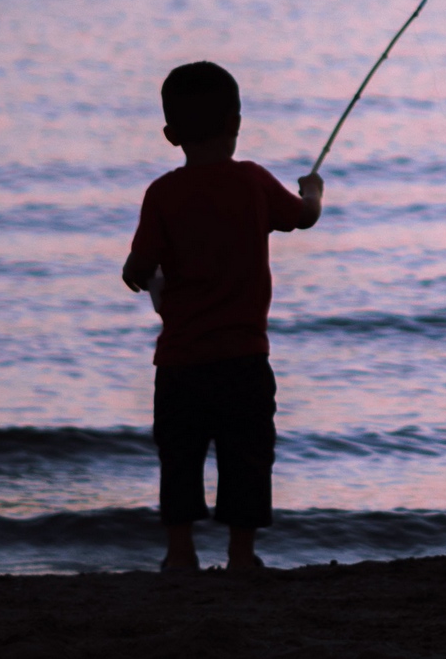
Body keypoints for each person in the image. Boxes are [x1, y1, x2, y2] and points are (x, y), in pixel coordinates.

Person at [121, 60, 322, 573]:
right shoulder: (253, 182)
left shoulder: (162, 194)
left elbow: (137, 269)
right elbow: (302, 218)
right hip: (244, 359)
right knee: (248, 457)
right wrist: (313, 189)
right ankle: (241, 554)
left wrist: (153, 281)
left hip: (181, 362)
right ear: (236, 123)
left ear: (171, 135)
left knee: (180, 458)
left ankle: (180, 552)